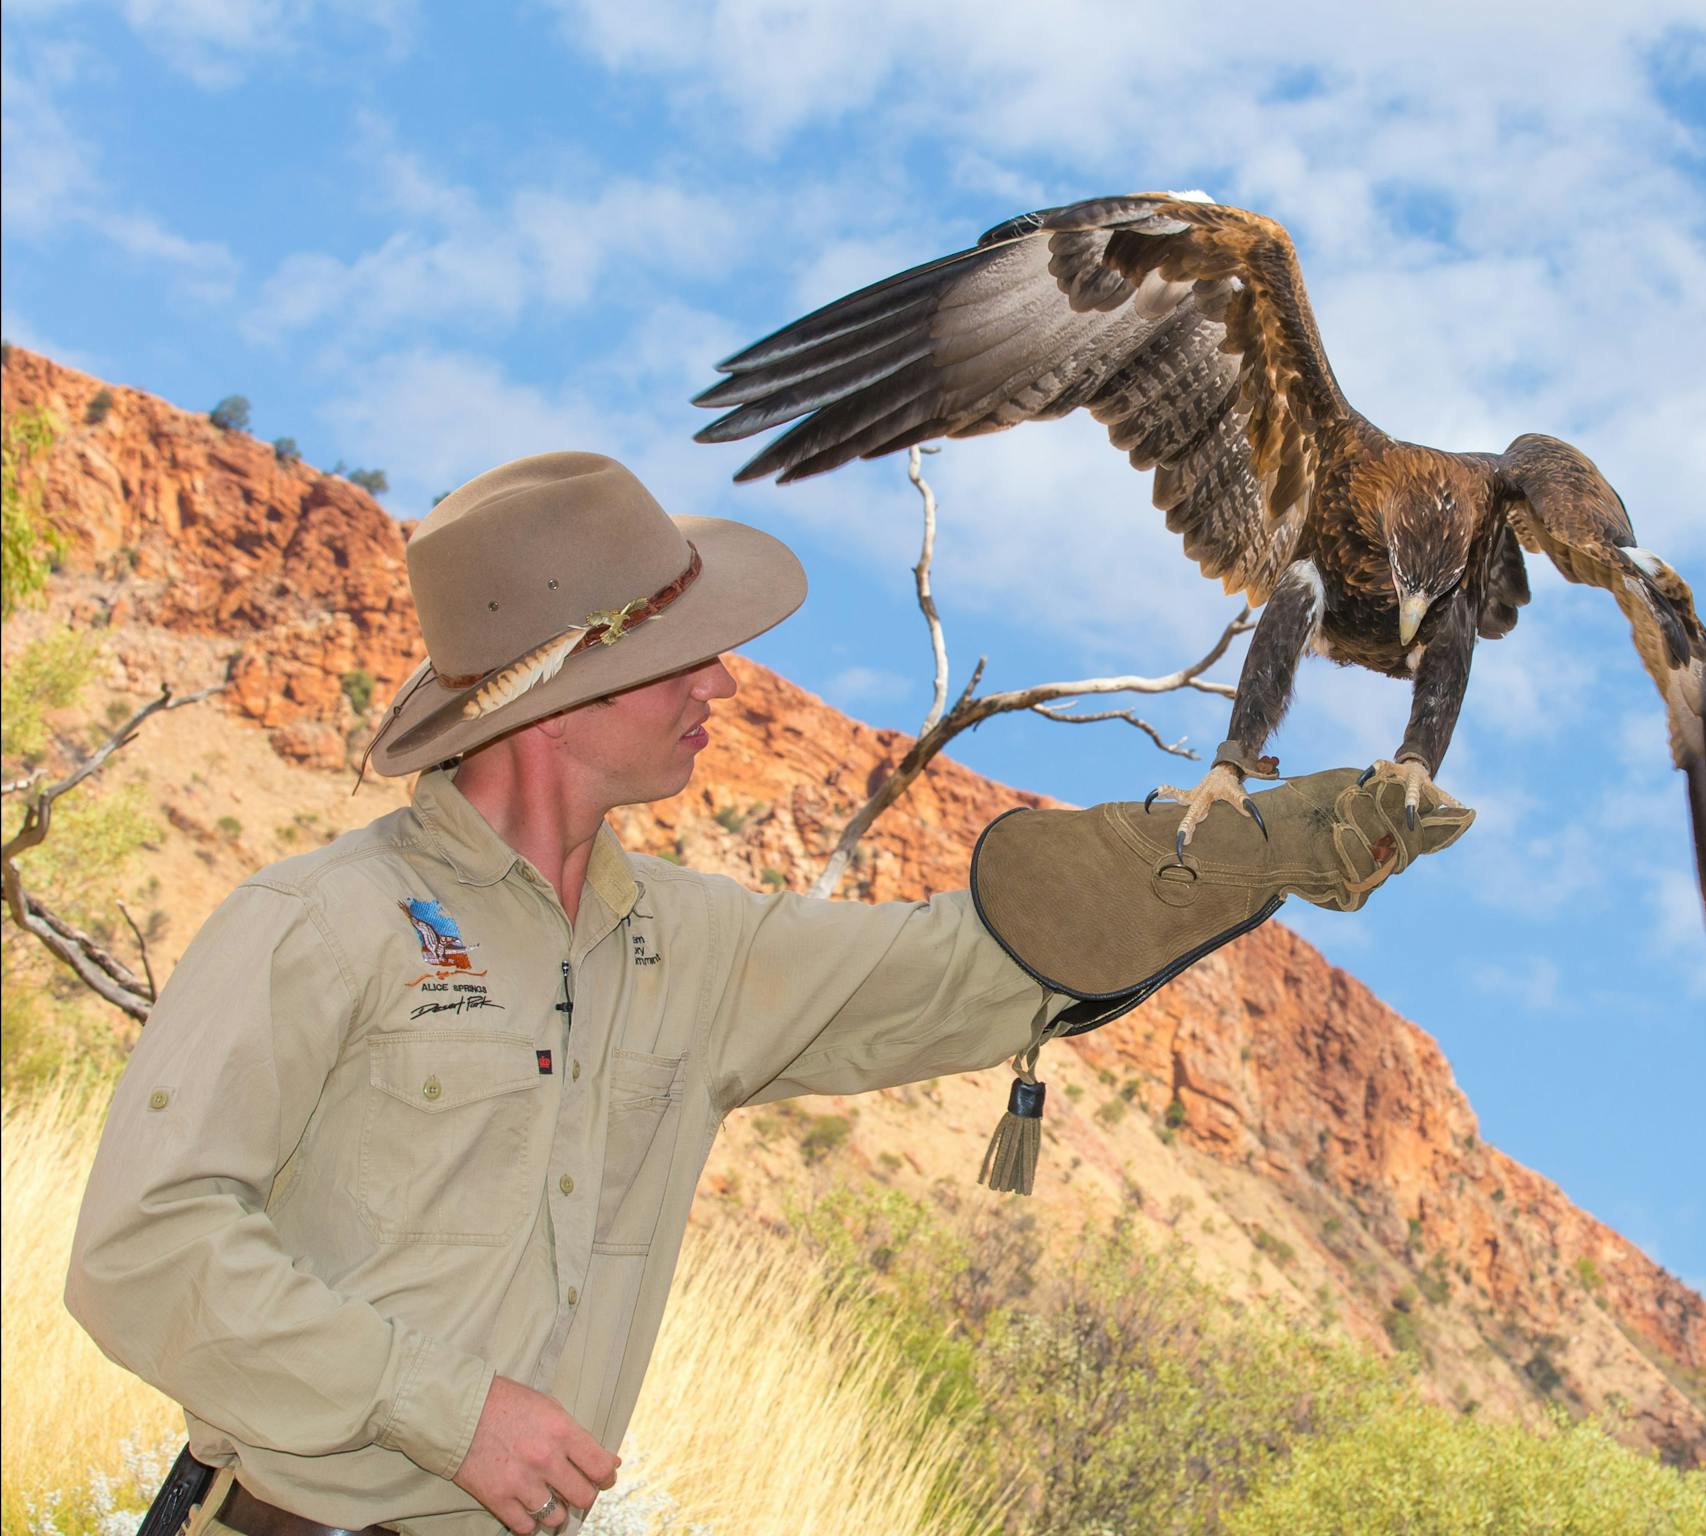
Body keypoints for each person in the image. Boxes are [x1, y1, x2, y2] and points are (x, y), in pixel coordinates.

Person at [67, 451, 1468, 1536]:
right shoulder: (321, 923)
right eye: (683, 656)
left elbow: (962, 966)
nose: (725, 683)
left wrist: (1242, 852)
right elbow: (143, 1252)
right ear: (559, 692)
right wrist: (445, 1412)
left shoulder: (698, 949)